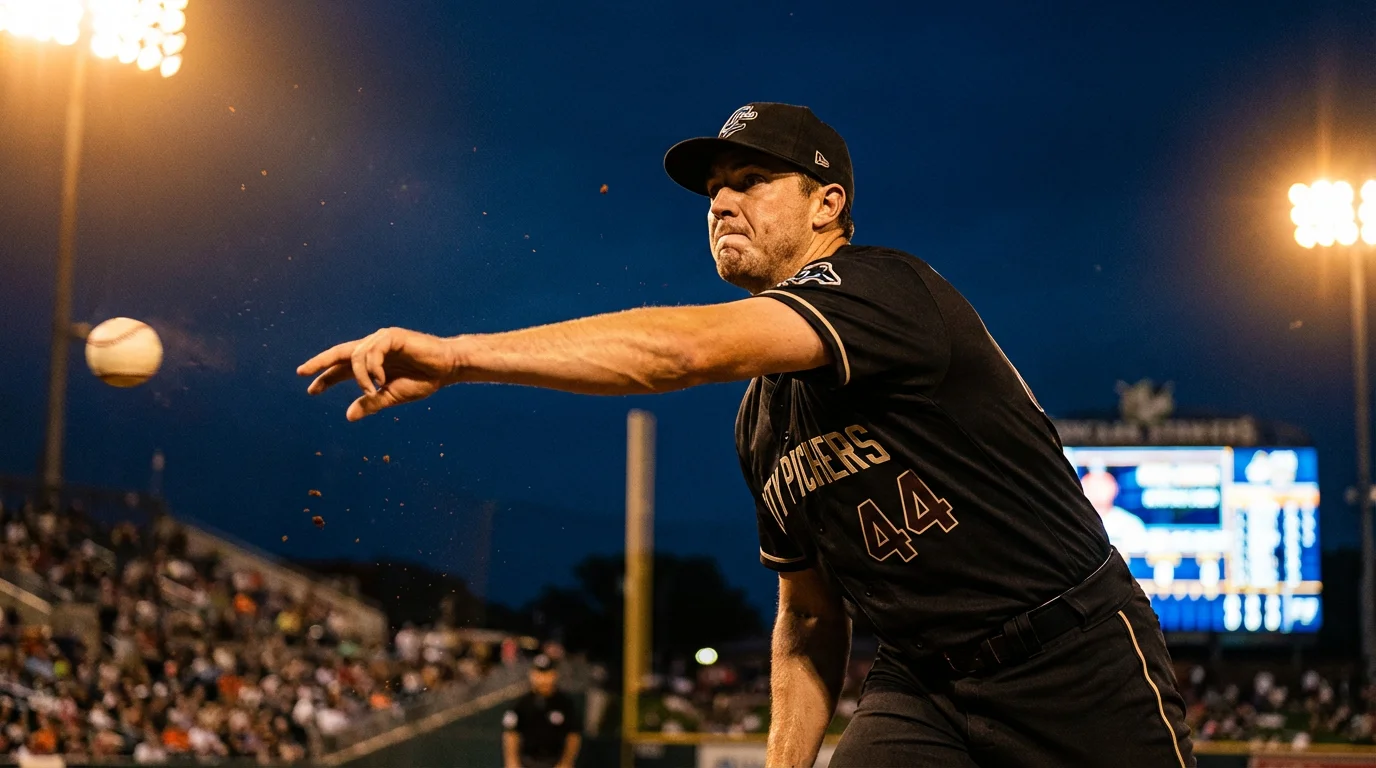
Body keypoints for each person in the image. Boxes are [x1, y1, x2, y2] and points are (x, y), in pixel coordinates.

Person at [299, 102, 1195, 767]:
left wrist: (457, 356)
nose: (721, 203)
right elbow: (808, 620)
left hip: (1073, 658)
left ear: (826, 205)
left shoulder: (886, 290)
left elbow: (673, 352)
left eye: (752, 181)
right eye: (714, 191)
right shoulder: (762, 423)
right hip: (923, 686)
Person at [501, 654, 581, 768]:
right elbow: (511, 734)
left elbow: (573, 735)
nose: (543, 678)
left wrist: (566, 762)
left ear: (554, 674)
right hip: (527, 762)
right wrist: (512, 763)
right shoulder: (520, 703)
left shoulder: (565, 703)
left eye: (547, 674)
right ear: (532, 674)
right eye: (539, 674)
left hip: (554, 762)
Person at [1081, 465, 1148, 552]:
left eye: (1102, 485)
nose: (1097, 490)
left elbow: (1138, 559)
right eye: (1092, 485)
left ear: (1114, 487)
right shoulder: (1073, 520)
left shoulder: (1131, 523)